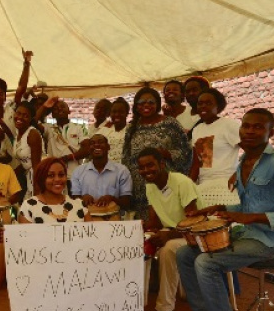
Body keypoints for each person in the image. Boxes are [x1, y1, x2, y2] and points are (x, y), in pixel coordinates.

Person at [174, 108, 274, 311]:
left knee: (207, 262)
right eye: (246, 126)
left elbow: (253, 214)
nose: (249, 131)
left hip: (273, 241)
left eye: (258, 127)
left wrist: (253, 217)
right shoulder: (242, 163)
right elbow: (242, 207)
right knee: (185, 253)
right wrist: (218, 209)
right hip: (245, 235)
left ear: (272, 131)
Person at [12, 157, 90, 311]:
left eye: (61, 175)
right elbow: (27, 241)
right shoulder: (29, 206)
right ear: (41, 179)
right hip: (44, 269)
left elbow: (92, 238)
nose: (57, 180)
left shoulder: (78, 206)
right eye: (50, 176)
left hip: (74, 269)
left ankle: (73, 310)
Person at [135, 148, 198, 311]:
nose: (146, 170)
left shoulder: (181, 182)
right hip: (173, 233)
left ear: (162, 164)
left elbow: (195, 222)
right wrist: (139, 227)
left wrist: (168, 234)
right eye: (141, 167)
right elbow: (154, 221)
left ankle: (166, 310)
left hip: (196, 234)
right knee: (135, 242)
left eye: (150, 165)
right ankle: (130, 302)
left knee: (168, 249)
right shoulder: (150, 186)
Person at [122, 87, 192, 220]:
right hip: (140, 186)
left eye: (150, 102)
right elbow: (126, 156)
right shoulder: (132, 127)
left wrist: (168, 154)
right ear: (136, 106)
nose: (146, 105)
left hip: (165, 183)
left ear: (157, 104)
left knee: (168, 220)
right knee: (147, 228)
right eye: (141, 102)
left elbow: (186, 151)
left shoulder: (170, 123)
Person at [189, 88, 240, 207]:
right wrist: (188, 185)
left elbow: (252, 150)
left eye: (208, 103)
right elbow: (197, 163)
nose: (203, 106)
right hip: (204, 186)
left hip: (226, 185)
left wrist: (238, 173)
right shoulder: (197, 129)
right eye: (200, 103)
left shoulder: (229, 125)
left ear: (218, 106)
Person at [70, 134, 132, 212]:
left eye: (101, 142)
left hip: (113, 220)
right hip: (86, 220)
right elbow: (74, 200)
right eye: (92, 143)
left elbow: (126, 203)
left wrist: (112, 198)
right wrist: (83, 198)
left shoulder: (122, 171)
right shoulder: (78, 172)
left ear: (108, 147)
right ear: (89, 149)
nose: (96, 145)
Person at [35, 98, 90, 178]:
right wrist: (44, 106)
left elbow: (86, 150)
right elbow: (34, 121)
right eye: (56, 109)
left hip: (74, 176)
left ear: (69, 111)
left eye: (62, 107)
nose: (59, 109)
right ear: (52, 114)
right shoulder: (49, 128)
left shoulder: (80, 127)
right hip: (55, 176)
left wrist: (66, 158)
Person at [12, 101, 42, 198]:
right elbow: (25, 161)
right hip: (27, 177)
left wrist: (37, 194)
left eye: (25, 116)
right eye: (18, 113)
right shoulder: (18, 134)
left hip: (38, 178)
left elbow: (37, 166)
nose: (20, 117)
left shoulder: (32, 134)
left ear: (30, 119)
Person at [95, 97, 129, 164]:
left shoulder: (131, 130)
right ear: (110, 113)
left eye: (121, 112)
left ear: (127, 113)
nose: (117, 114)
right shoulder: (103, 131)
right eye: (114, 112)